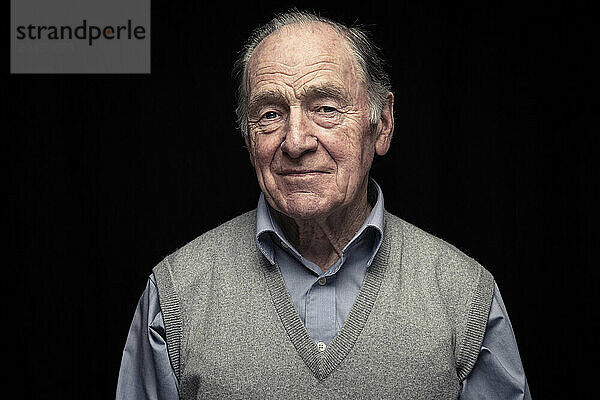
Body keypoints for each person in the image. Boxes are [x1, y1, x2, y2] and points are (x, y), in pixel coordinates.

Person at [117, 9, 531, 399]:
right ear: (247, 139)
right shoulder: (174, 297)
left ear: (382, 124)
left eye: (326, 109)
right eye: (270, 114)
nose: (296, 141)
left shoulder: (465, 294)